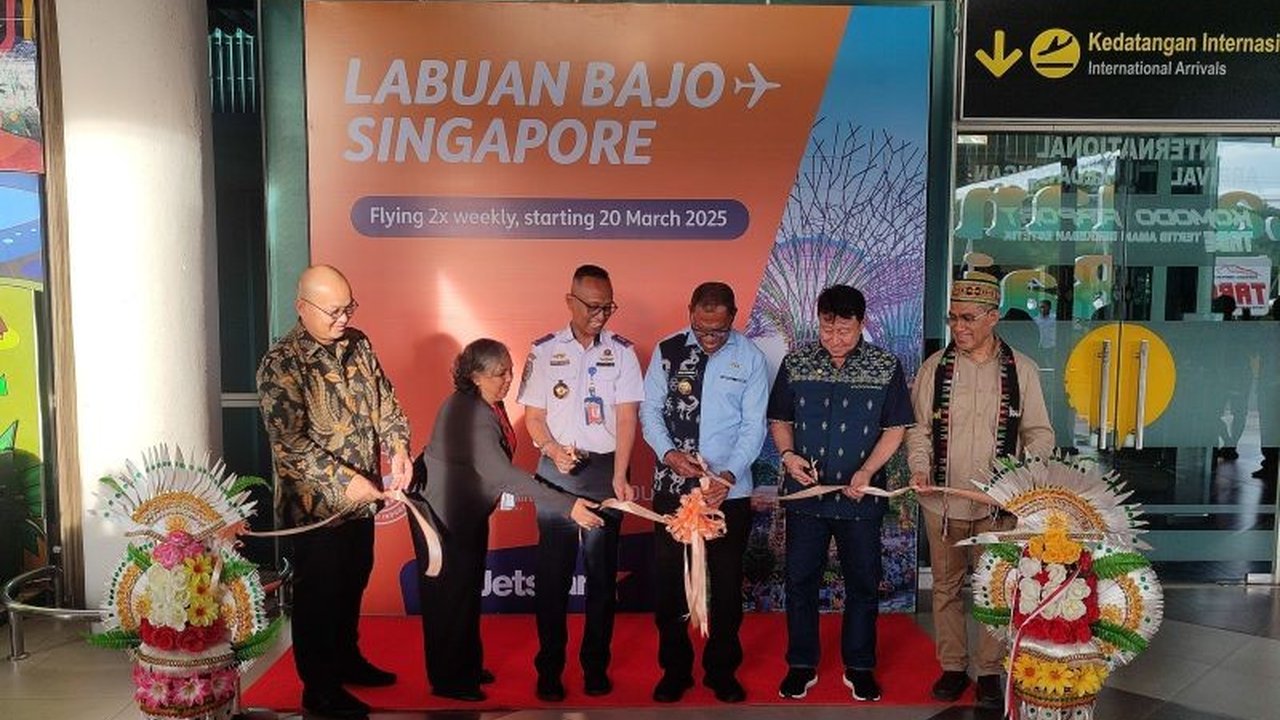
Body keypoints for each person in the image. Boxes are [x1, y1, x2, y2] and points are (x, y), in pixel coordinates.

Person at [405, 339, 602, 702]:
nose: (509, 380)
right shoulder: (471, 413)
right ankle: (450, 681)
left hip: (463, 513)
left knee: (465, 595)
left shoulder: (483, 404)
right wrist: (568, 505)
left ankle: (465, 665)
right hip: (442, 519)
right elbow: (503, 475)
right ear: (475, 376)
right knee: (449, 601)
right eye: (500, 374)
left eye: (511, 371)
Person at [256, 265, 413, 719]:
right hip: (315, 511)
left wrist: (399, 447)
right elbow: (290, 445)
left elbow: (386, 402)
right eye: (334, 311)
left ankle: (347, 659)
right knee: (319, 597)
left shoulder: (358, 344)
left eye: (349, 308)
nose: (344, 318)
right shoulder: (281, 363)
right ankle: (320, 689)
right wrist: (346, 482)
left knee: (353, 580)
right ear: (302, 307)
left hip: (362, 504)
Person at [907, 270, 1054, 709]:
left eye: (968, 318)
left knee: (996, 589)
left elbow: (1039, 434)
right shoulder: (935, 369)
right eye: (953, 318)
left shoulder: (1021, 369)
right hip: (943, 502)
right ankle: (953, 666)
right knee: (946, 587)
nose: (959, 327)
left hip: (999, 508)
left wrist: (1019, 479)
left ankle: (989, 670)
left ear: (993, 317)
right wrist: (919, 467)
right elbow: (918, 430)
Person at [768, 285, 914, 703]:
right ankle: (801, 663)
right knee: (800, 581)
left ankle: (860, 666)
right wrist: (789, 456)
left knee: (863, 582)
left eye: (844, 331)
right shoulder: (796, 362)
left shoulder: (885, 366)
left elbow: (895, 428)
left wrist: (867, 470)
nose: (834, 339)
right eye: (827, 329)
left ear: (862, 324)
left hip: (860, 497)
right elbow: (780, 419)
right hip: (806, 496)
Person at [516, 264, 645, 701]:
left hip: (603, 471)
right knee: (552, 578)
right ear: (569, 301)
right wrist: (551, 448)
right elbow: (533, 417)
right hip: (557, 472)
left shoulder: (623, 353)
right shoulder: (544, 351)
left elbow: (627, 418)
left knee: (602, 579)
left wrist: (620, 474)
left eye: (608, 307)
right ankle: (549, 668)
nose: (600, 315)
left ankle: (595, 667)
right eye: (592, 306)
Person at [640, 282, 769, 704]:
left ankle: (721, 671)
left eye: (718, 330)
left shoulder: (750, 356)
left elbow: (754, 425)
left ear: (734, 316)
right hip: (673, 489)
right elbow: (649, 411)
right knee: (671, 585)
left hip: (728, 493)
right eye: (701, 328)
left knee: (727, 586)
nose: (710, 337)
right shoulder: (668, 351)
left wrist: (728, 476)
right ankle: (674, 670)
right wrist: (668, 453)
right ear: (690, 311)